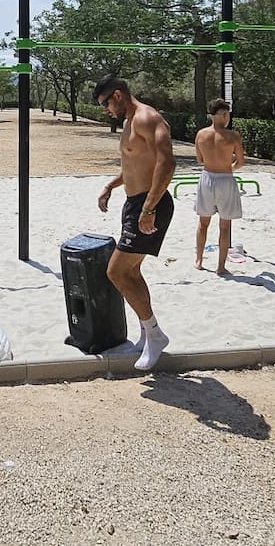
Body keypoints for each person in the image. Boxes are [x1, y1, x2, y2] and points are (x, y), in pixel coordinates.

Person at [93, 76, 176, 372]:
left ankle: (155, 334)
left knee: (116, 271)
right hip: (136, 204)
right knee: (131, 270)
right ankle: (147, 332)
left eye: (106, 103)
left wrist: (149, 208)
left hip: (149, 205)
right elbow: (134, 165)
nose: (105, 110)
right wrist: (111, 186)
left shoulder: (146, 118)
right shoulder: (129, 122)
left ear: (118, 94)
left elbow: (167, 163)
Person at [193, 99, 246, 275]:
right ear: (225, 115)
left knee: (203, 223)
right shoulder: (232, 136)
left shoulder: (201, 134)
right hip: (225, 179)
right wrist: (227, 167)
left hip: (207, 178)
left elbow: (200, 160)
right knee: (225, 226)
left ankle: (199, 259)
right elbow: (240, 162)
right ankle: (221, 266)